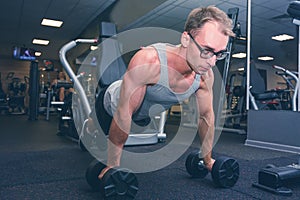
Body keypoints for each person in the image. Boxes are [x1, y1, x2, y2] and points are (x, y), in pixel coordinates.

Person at [95, 6, 235, 179]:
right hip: (109, 102)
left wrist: (208, 161)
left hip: (142, 116)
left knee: (138, 117)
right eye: (206, 50)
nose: (212, 62)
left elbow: (206, 117)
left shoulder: (205, 76)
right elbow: (124, 112)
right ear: (186, 39)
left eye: (219, 54)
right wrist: (112, 166)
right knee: (97, 137)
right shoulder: (149, 62)